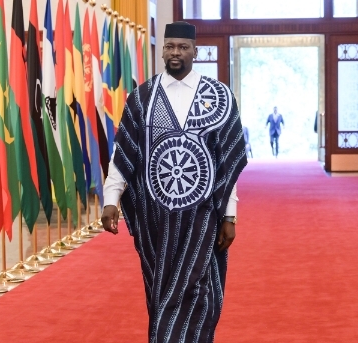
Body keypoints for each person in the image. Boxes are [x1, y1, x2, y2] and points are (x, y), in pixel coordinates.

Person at [101, 21, 248, 343]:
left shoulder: (219, 96)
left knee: (198, 289)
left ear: (196, 51)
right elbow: (123, 152)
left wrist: (230, 215)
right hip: (155, 220)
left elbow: (228, 165)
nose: (176, 53)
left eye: (183, 47)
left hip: (203, 217)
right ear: (163, 50)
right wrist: (111, 199)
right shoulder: (142, 98)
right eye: (170, 46)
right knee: (161, 289)